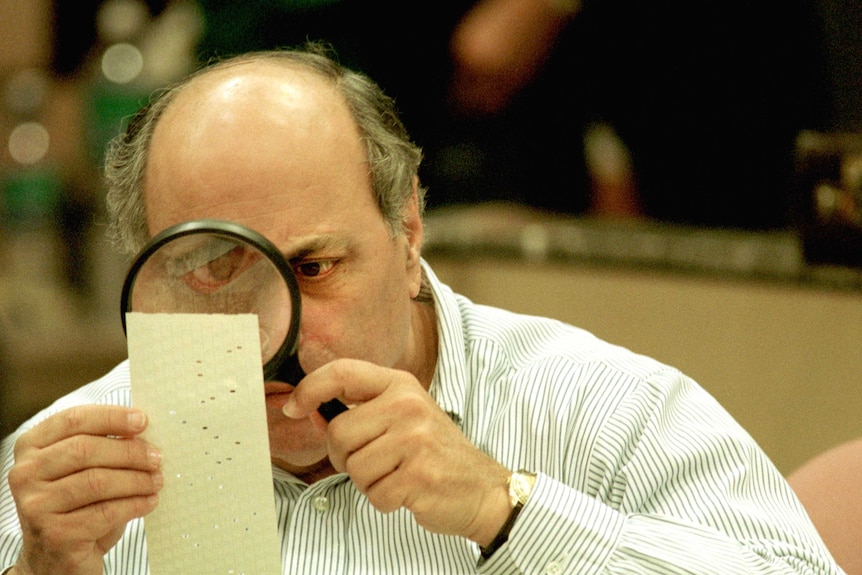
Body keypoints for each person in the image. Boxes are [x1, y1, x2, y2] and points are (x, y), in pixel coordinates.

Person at [0, 44, 842, 574]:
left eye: (314, 267)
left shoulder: (605, 412)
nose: (266, 336)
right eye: (213, 276)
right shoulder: (61, 477)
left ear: (407, 234)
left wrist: (504, 509)